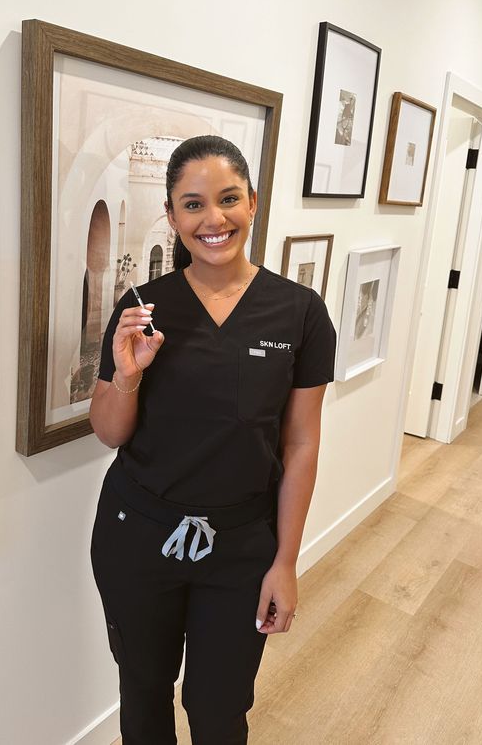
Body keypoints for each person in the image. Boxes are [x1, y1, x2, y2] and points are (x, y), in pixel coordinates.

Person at [89, 134, 336, 745]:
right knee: (143, 693)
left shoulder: (299, 312)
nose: (213, 219)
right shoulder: (144, 306)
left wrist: (285, 561)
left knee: (219, 707)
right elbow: (109, 432)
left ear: (252, 203)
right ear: (172, 217)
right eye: (192, 205)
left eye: (228, 199)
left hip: (242, 545)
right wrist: (127, 374)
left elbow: (301, 443)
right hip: (138, 533)